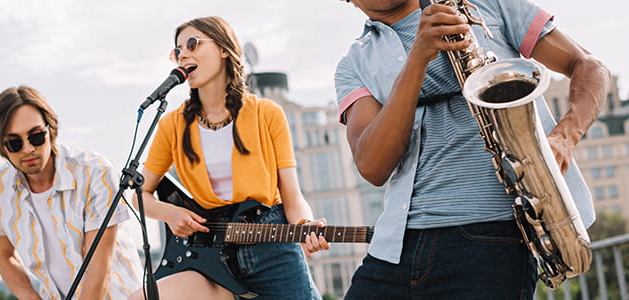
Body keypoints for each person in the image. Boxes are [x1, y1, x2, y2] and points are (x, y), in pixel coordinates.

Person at [334, 0, 609, 298]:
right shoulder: (353, 63)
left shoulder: (486, 5)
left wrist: (563, 139)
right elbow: (373, 167)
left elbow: (590, 67)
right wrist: (418, 57)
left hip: (493, 237)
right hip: (394, 248)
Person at [127, 16, 329, 300]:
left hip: (273, 252)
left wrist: (305, 227)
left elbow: (292, 197)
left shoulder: (266, 113)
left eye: (193, 44)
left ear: (224, 49)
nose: (183, 53)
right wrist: (169, 214)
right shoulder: (172, 124)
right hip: (208, 258)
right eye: (177, 50)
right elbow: (138, 193)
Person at [0, 86, 144, 299]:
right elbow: (4, 256)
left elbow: (99, 273)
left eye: (36, 136)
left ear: (50, 129)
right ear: (2, 146)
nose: (28, 148)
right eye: (14, 143)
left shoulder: (95, 172)